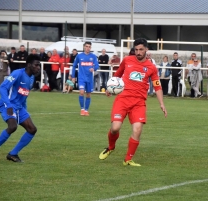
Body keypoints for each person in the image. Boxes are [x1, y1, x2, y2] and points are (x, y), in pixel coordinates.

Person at [98, 38, 167, 166]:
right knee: (115, 128)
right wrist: (110, 88)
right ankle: (111, 147)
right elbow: (117, 74)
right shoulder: (127, 60)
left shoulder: (151, 67)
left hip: (139, 102)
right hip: (122, 99)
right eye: (136, 50)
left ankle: (128, 159)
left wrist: (161, 103)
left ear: (146, 49)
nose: (138, 52)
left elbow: (157, 86)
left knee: (137, 130)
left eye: (141, 49)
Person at [0, 54, 41, 164]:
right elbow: (3, 87)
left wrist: (25, 110)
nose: (38, 67)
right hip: (7, 104)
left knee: (32, 129)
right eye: (36, 65)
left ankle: (13, 154)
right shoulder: (17, 73)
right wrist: (8, 105)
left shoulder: (31, 78)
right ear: (29, 65)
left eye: (39, 65)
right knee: (12, 126)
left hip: (19, 107)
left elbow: (24, 95)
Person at [70, 42, 99, 116]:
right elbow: (74, 66)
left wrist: (93, 68)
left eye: (89, 47)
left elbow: (97, 66)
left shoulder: (93, 56)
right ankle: (82, 109)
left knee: (88, 95)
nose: (88, 48)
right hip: (81, 78)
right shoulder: (79, 56)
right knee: (82, 92)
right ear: (84, 47)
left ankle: (86, 110)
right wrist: (73, 76)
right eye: (86, 46)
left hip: (89, 79)